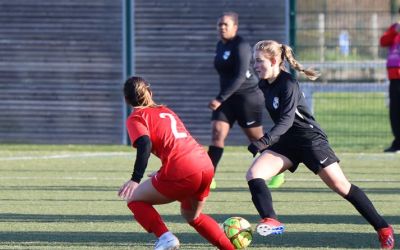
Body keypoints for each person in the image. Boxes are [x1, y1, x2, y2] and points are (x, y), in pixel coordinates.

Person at [245, 40, 395, 249]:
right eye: (254, 61)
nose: (255, 65)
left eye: (259, 61)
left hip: (310, 140)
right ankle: (272, 220)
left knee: (342, 186)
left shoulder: (288, 84)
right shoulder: (264, 84)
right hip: (287, 142)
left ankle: (383, 228)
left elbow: (286, 120)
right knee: (254, 175)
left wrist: (264, 141)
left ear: (273, 60)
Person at [118, 76, 235, 250]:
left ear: (126, 99)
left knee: (134, 200)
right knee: (192, 216)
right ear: (150, 93)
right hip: (205, 164)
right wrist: (162, 170)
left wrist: (135, 179)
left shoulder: (136, 117)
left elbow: (145, 144)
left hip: (182, 169)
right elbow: (177, 144)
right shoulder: (166, 110)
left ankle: (166, 238)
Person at [208, 11, 284, 189]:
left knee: (256, 139)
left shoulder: (241, 45)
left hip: (247, 98)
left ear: (235, 27)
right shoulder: (220, 45)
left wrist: (220, 98)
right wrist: (223, 98)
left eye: (226, 24)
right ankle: (208, 177)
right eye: (220, 24)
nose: (222, 28)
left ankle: (278, 171)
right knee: (217, 133)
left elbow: (240, 76)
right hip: (227, 99)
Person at [380, 9, 400, 153]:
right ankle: (397, 142)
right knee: (395, 111)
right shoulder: (395, 28)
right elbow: (383, 41)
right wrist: (395, 31)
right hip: (393, 75)